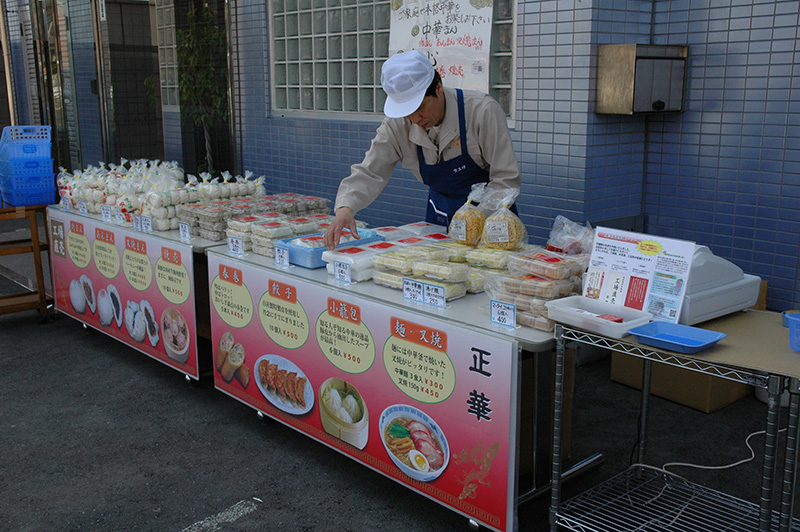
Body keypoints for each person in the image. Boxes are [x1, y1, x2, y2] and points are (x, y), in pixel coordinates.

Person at [323, 50, 521, 250]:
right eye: (407, 112)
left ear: (439, 88)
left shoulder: (481, 111)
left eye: (420, 107)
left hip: (492, 221)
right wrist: (345, 208)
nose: (416, 119)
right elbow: (370, 171)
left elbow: (506, 180)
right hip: (439, 216)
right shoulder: (397, 125)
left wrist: (474, 221)